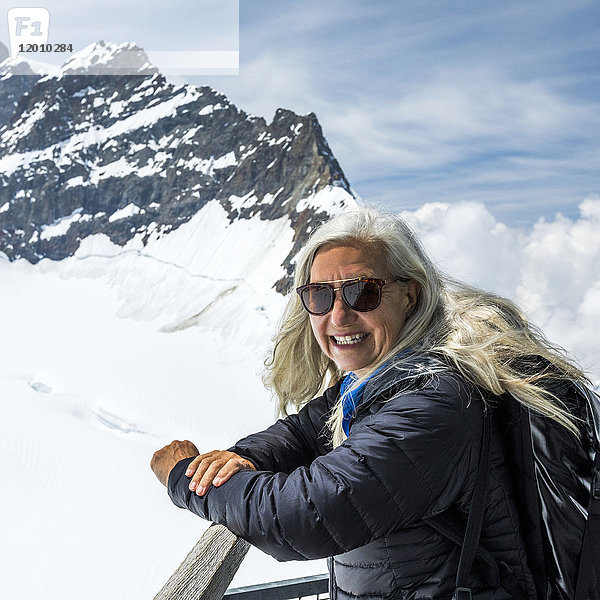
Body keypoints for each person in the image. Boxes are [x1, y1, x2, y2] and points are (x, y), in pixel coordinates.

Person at [151, 207, 588, 599]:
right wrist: (237, 459)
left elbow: (310, 514)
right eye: (319, 295)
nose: (338, 315)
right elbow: (303, 431)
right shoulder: (378, 382)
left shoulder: (436, 404)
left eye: (363, 293)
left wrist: (184, 478)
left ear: (409, 295)